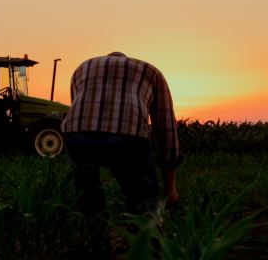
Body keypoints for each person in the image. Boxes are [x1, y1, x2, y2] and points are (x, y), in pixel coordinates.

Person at [61, 52, 181, 256]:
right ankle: (147, 247)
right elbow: (165, 128)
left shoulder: (83, 67)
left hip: (77, 131)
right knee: (144, 198)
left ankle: (98, 246)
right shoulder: (151, 71)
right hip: (129, 135)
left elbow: (78, 105)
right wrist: (170, 188)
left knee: (88, 194)